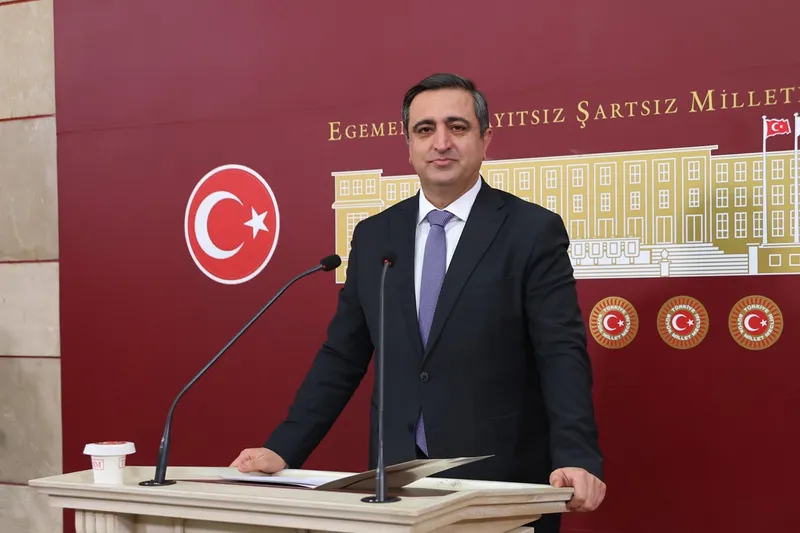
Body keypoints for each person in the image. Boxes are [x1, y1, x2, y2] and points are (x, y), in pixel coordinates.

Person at [230, 73, 606, 532]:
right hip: (395, 486)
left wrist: (576, 455)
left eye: (457, 127)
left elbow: (561, 352)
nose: (441, 142)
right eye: (425, 130)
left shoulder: (531, 231)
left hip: (501, 481)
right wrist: (285, 447)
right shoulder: (375, 236)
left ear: (486, 139)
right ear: (408, 144)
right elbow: (342, 356)